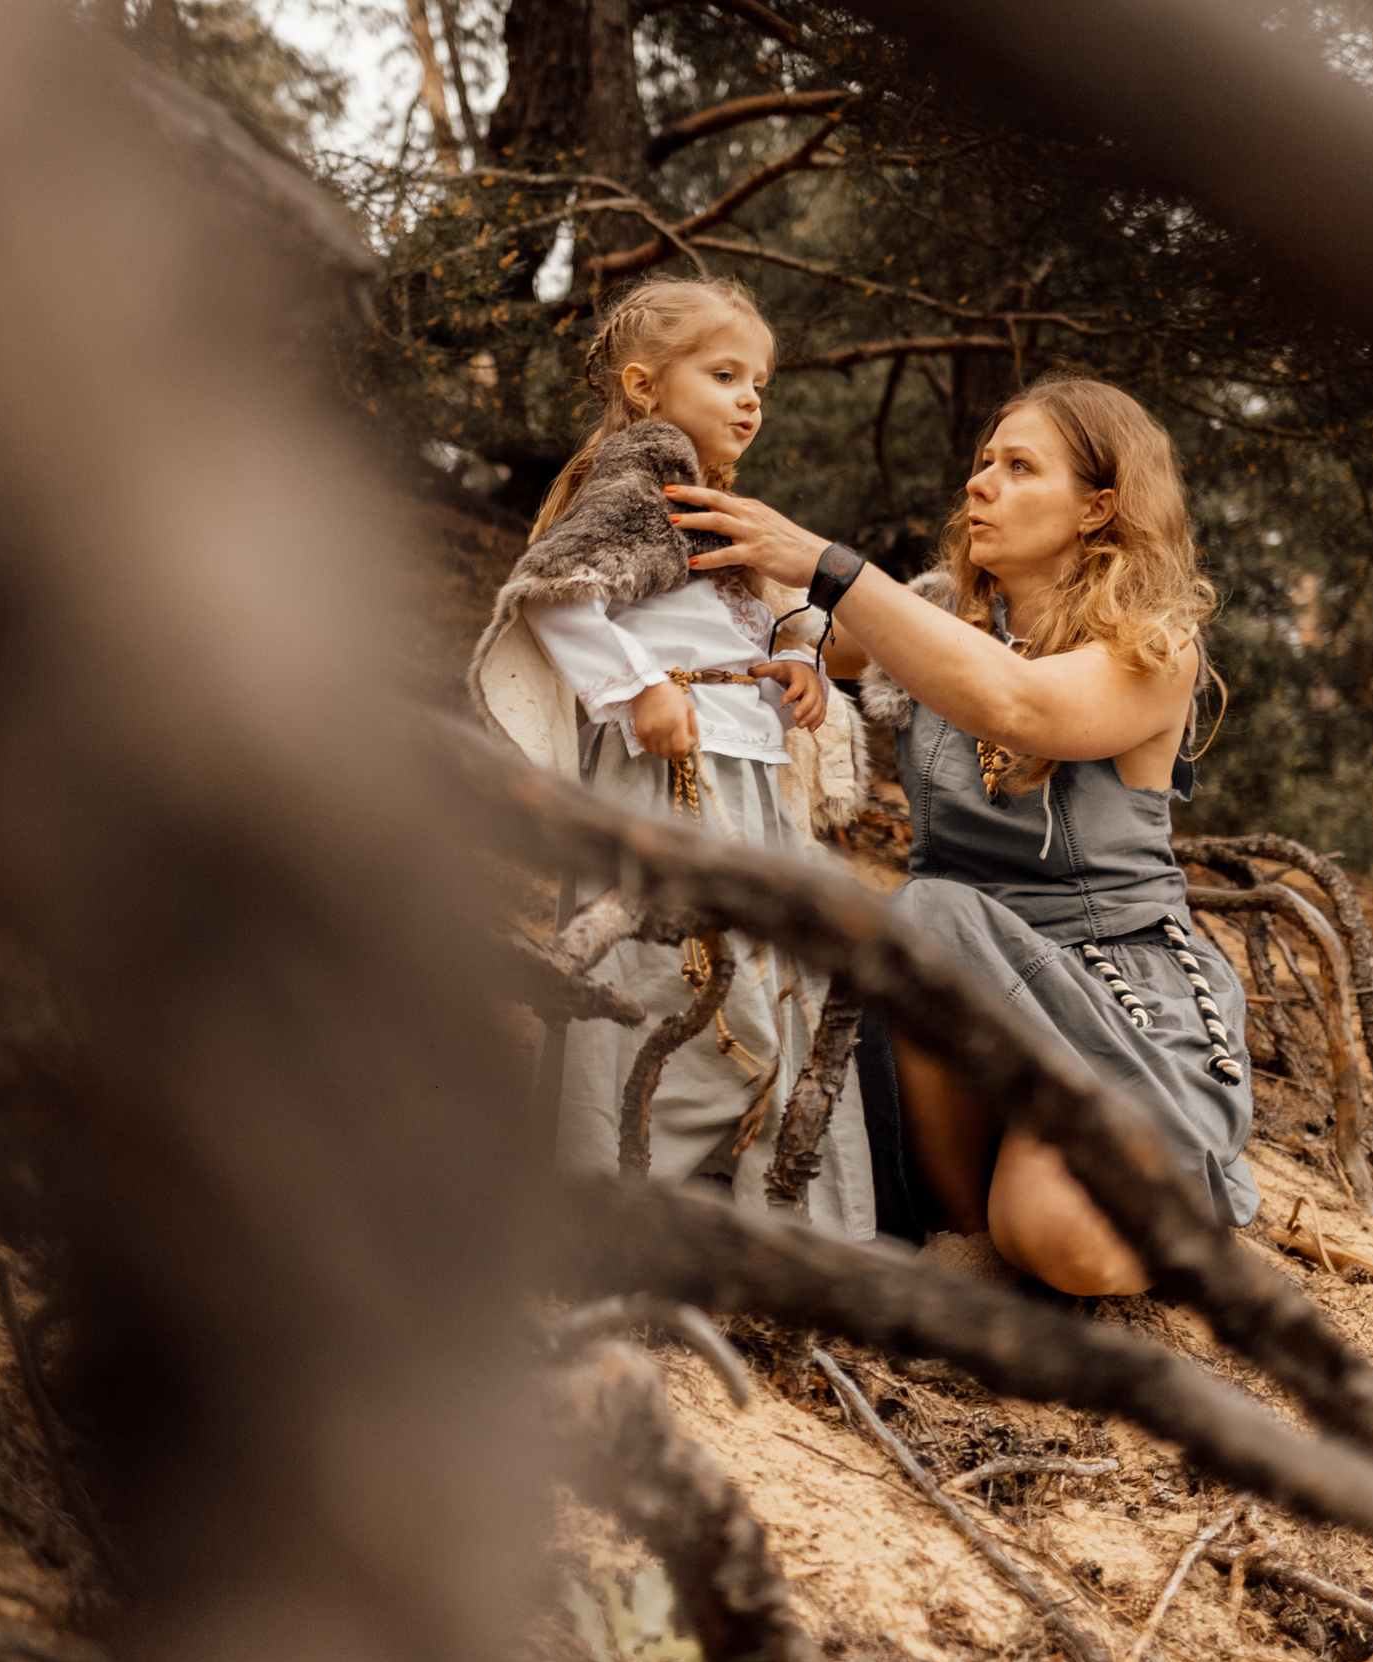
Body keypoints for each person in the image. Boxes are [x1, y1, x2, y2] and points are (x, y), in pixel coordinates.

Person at [659, 375, 1257, 1292]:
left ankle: (1162, 1178)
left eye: (1021, 468)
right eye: (984, 463)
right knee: (928, 917)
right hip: (948, 1006)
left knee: (1064, 1239)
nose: (980, 484)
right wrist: (679, 466)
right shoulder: (940, 616)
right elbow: (784, 607)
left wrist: (833, 564)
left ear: (1100, 508)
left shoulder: (1154, 648)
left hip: (1111, 997)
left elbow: (1021, 705)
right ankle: (962, 1237)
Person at [467, 276, 876, 1237]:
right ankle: (618, 1199)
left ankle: (737, 1213)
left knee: (767, 986)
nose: (750, 399)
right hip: (670, 776)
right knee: (661, 981)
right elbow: (556, 592)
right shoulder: (629, 479)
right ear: (646, 388)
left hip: (747, 774)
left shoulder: (706, 502)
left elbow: (734, 622)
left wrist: (795, 663)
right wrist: (637, 686)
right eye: (725, 373)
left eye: (761, 384)